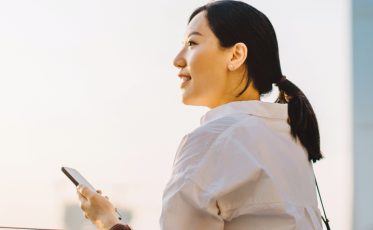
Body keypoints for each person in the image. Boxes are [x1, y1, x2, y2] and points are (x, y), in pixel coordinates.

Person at [76, 1, 326, 229]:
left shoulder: (214, 139)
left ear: (236, 55)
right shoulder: (289, 137)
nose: (177, 60)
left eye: (192, 43)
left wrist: (107, 221)